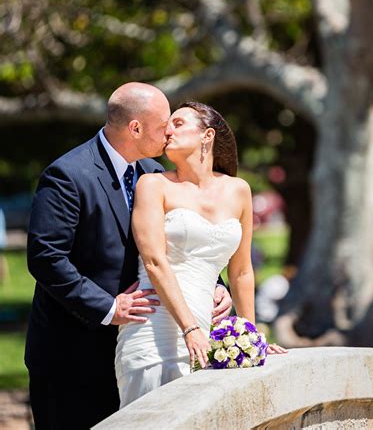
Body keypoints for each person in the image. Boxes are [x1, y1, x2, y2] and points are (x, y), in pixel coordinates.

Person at [25, 83, 232, 430]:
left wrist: (216, 284)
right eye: (163, 123)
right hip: (73, 353)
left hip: (143, 345)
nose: (169, 131)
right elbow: (45, 257)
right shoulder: (68, 174)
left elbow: (180, 241)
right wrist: (108, 308)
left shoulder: (154, 174)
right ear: (135, 128)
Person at [115, 101, 287, 407]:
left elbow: (241, 271)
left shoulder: (239, 190)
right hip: (154, 333)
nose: (168, 130)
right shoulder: (153, 185)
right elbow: (155, 262)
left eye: (178, 123)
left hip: (209, 336)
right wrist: (190, 328)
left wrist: (250, 336)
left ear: (207, 135)